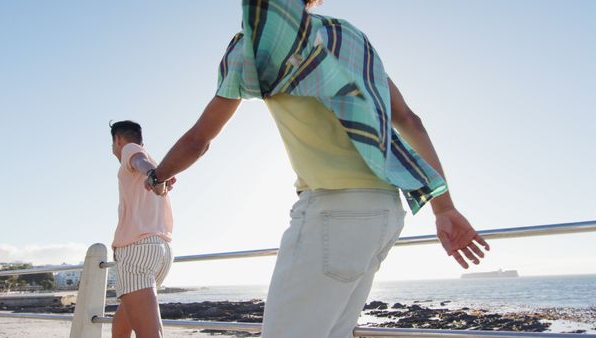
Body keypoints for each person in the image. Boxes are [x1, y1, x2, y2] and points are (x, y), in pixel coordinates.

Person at [148, 1, 490, 336]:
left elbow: (199, 140)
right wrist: (443, 206)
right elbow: (409, 120)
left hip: (333, 213)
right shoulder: (350, 37)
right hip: (385, 211)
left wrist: (157, 177)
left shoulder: (254, 48)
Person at [109, 120, 175, 338]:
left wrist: (152, 175)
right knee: (125, 314)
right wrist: (156, 175)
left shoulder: (133, 152)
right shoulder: (158, 165)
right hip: (161, 251)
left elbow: (139, 160)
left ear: (118, 139)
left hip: (137, 250)